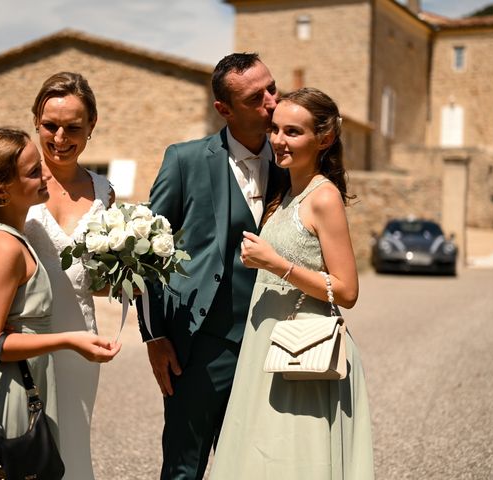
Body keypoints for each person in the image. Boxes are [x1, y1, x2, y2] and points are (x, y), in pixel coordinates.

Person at [0, 72, 114, 480]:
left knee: (70, 443)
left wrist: (126, 272)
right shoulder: (17, 181)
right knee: (16, 444)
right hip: (19, 332)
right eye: (50, 125)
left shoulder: (105, 191)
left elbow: (96, 280)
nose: (60, 137)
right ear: (36, 121)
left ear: (91, 126)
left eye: (73, 127)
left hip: (79, 333)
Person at [209, 88, 375, 479]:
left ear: (325, 138)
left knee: (295, 461)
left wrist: (277, 264)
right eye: (276, 129)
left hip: (304, 352)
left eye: (293, 132)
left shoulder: (323, 198)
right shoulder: (285, 194)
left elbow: (347, 290)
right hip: (265, 344)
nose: (279, 141)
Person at [137, 52, 280, 479]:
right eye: (257, 97)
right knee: (185, 467)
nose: (272, 102)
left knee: (258, 465)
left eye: (272, 88)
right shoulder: (184, 161)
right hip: (200, 346)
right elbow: (145, 253)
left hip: (273, 343)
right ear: (224, 109)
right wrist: (155, 335)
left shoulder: (294, 162)